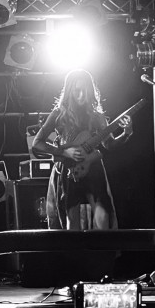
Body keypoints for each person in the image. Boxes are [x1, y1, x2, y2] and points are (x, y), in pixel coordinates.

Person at [31, 68, 133, 230]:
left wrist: (126, 133)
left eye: (85, 91)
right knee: (72, 222)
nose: (81, 95)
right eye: (77, 91)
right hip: (69, 169)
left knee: (103, 216)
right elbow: (37, 143)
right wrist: (64, 152)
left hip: (93, 168)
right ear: (69, 91)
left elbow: (109, 145)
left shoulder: (97, 116)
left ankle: (102, 247)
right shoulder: (58, 114)